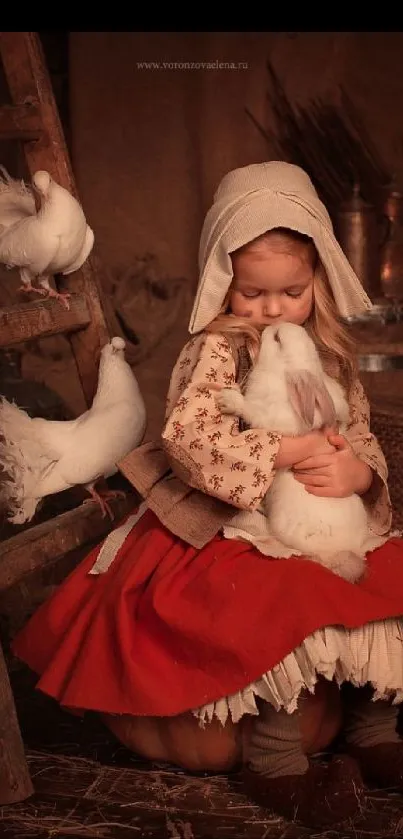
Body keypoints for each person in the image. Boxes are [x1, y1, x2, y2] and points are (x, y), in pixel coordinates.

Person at [12, 161, 403, 829]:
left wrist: (357, 476)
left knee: (384, 575)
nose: (271, 308)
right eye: (252, 292)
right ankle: (275, 759)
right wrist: (282, 452)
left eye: (290, 291)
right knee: (273, 597)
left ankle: (374, 731)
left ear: (317, 282)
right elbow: (189, 439)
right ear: (224, 282)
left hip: (317, 519)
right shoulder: (215, 352)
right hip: (227, 521)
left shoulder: (330, 357)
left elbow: (358, 434)